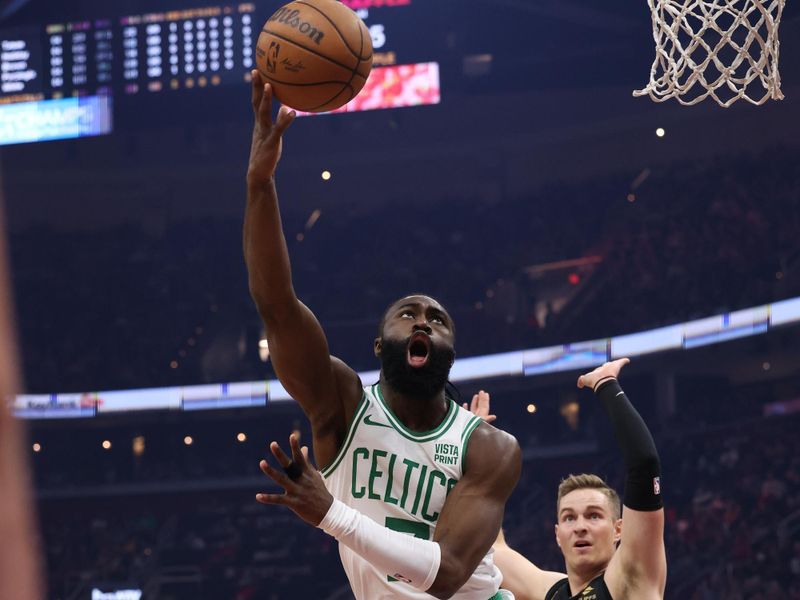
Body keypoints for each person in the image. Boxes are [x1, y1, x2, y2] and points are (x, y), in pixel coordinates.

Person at [245, 71, 521, 600]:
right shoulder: (342, 405)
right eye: (408, 314)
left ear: (450, 352)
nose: (422, 321)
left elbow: (444, 575)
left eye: (437, 320)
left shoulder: (488, 447)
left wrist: (331, 515)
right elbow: (277, 306)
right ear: (379, 345)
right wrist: (259, 186)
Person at [491, 358, 667, 600]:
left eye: (594, 515)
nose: (580, 527)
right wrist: (473, 453)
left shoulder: (630, 580)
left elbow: (644, 465)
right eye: (569, 518)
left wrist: (606, 384)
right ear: (557, 533)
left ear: (619, 530)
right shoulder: (550, 592)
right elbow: (493, 548)